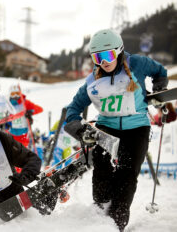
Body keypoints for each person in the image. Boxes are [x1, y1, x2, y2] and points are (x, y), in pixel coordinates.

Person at [63, 29, 168, 231]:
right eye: (97, 57)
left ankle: (117, 220)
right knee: (101, 172)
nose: (103, 62)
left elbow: (160, 71)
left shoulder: (136, 63)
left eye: (108, 55)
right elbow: (73, 109)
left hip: (136, 128)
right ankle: (99, 212)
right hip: (106, 129)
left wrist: (159, 88)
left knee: (127, 175)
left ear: (119, 51)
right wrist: (78, 129)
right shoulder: (92, 81)